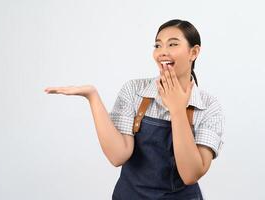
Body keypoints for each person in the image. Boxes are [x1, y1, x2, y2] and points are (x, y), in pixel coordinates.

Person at [44, 19, 225, 200]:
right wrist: (92, 96)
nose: (162, 52)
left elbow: (190, 174)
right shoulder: (134, 91)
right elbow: (118, 156)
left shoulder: (209, 107)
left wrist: (177, 110)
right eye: (158, 45)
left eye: (173, 44)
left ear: (193, 52)